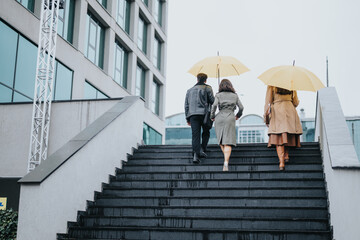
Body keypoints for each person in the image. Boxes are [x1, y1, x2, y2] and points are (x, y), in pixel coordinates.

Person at [264, 86, 303, 171]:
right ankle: (286, 155)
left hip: (277, 110)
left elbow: (269, 101)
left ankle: (281, 163)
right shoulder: (291, 83)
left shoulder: (271, 85)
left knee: (278, 137)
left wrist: (265, 117)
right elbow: (295, 102)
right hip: (289, 109)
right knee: (287, 133)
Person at [210, 79, 243, 171]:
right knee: (228, 141)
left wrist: (212, 116)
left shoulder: (218, 95)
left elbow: (214, 106)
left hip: (219, 117)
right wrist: (238, 115)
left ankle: (225, 158)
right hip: (230, 117)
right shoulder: (234, 96)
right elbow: (241, 107)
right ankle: (226, 162)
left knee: (221, 139)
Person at [184, 73, 215, 163]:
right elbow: (212, 101)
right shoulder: (208, 88)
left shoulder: (189, 90)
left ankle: (195, 155)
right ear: (206, 80)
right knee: (206, 132)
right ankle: (202, 149)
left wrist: (187, 118)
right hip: (204, 114)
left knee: (195, 135)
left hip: (193, 115)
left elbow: (186, 105)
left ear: (197, 79)